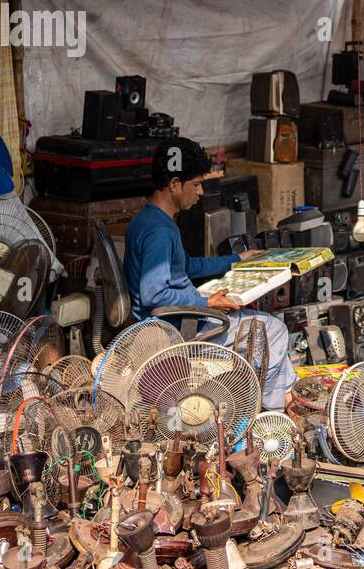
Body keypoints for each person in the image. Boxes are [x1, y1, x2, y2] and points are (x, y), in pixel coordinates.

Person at [124, 138, 294, 410]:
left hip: (184, 315)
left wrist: (235, 260)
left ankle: (283, 401)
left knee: (266, 326)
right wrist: (206, 303)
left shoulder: (149, 219)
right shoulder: (159, 232)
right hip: (179, 327)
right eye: (196, 184)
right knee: (273, 329)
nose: (201, 191)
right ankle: (268, 414)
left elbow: (187, 266)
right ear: (175, 184)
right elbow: (153, 293)